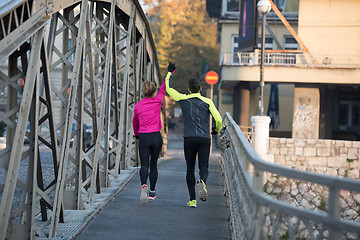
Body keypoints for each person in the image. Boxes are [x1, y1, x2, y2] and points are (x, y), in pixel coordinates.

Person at [165, 62, 222, 208]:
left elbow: (168, 89)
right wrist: (215, 129)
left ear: (189, 89)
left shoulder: (183, 99)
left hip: (189, 138)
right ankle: (202, 181)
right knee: (204, 166)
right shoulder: (208, 102)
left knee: (190, 168)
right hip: (204, 138)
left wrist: (170, 73)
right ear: (201, 88)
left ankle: (192, 200)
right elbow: (219, 119)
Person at [133, 78, 166, 204]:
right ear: (153, 93)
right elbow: (163, 89)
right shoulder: (157, 101)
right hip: (156, 137)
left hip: (144, 137)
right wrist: (170, 73)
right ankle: (152, 191)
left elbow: (135, 121)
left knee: (144, 164)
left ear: (143, 92)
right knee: (153, 164)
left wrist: (137, 134)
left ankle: (143, 186)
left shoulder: (138, 105)